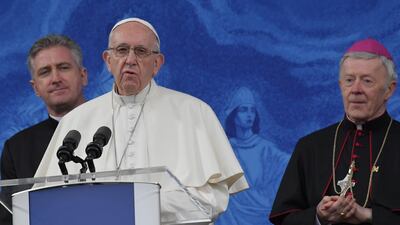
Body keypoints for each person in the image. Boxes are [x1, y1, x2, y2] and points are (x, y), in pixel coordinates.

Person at [34, 17, 248, 223]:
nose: (130, 59)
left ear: (157, 63)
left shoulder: (194, 112)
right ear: (108, 61)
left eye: (141, 51)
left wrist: (139, 205)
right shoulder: (76, 120)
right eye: (122, 50)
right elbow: (48, 202)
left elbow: (213, 200)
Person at [269, 38, 400, 225]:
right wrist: (318, 216)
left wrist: (368, 215)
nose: (356, 89)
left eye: (367, 81)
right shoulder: (310, 146)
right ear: (340, 86)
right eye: (349, 80)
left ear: (389, 89)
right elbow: (285, 219)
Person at [0, 34, 88, 224]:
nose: (55, 78)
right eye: (45, 72)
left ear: (83, 76)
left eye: (63, 68)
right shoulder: (16, 149)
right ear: (35, 88)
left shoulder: (117, 128)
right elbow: (9, 218)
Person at [216, 87, 288, 225]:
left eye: (252, 110)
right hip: (232, 215)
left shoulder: (266, 148)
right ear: (233, 115)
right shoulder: (225, 149)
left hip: (262, 211)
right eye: (243, 110)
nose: (249, 115)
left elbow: (289, 164)